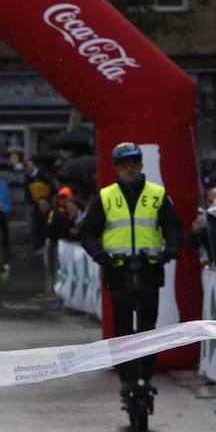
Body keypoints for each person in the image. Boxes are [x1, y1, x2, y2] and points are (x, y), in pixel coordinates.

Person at [79, 141, 183, 400]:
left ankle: (145, 377)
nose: (130, 168)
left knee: (149, 328)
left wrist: (171, 249)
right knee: (122, 329)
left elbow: (174, 227)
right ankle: (126, 379)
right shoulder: (105, 196)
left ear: (141, 164)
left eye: (134, 163)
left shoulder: (157, 194)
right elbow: (87, 231)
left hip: (149, 268)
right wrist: (98, 254)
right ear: (116, 167)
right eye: (125, 164)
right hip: (118, 269)